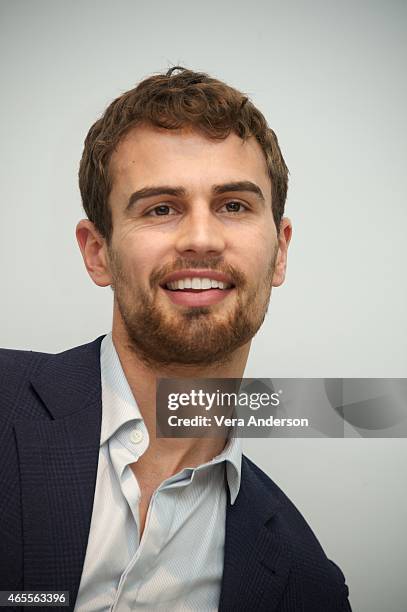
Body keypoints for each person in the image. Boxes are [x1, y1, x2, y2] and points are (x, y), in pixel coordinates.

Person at [0, 66, 351, 611]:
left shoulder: (307, 586)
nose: (202, 240)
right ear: (97, 252)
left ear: (280, 251)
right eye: (161, 208)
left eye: (234, 205)